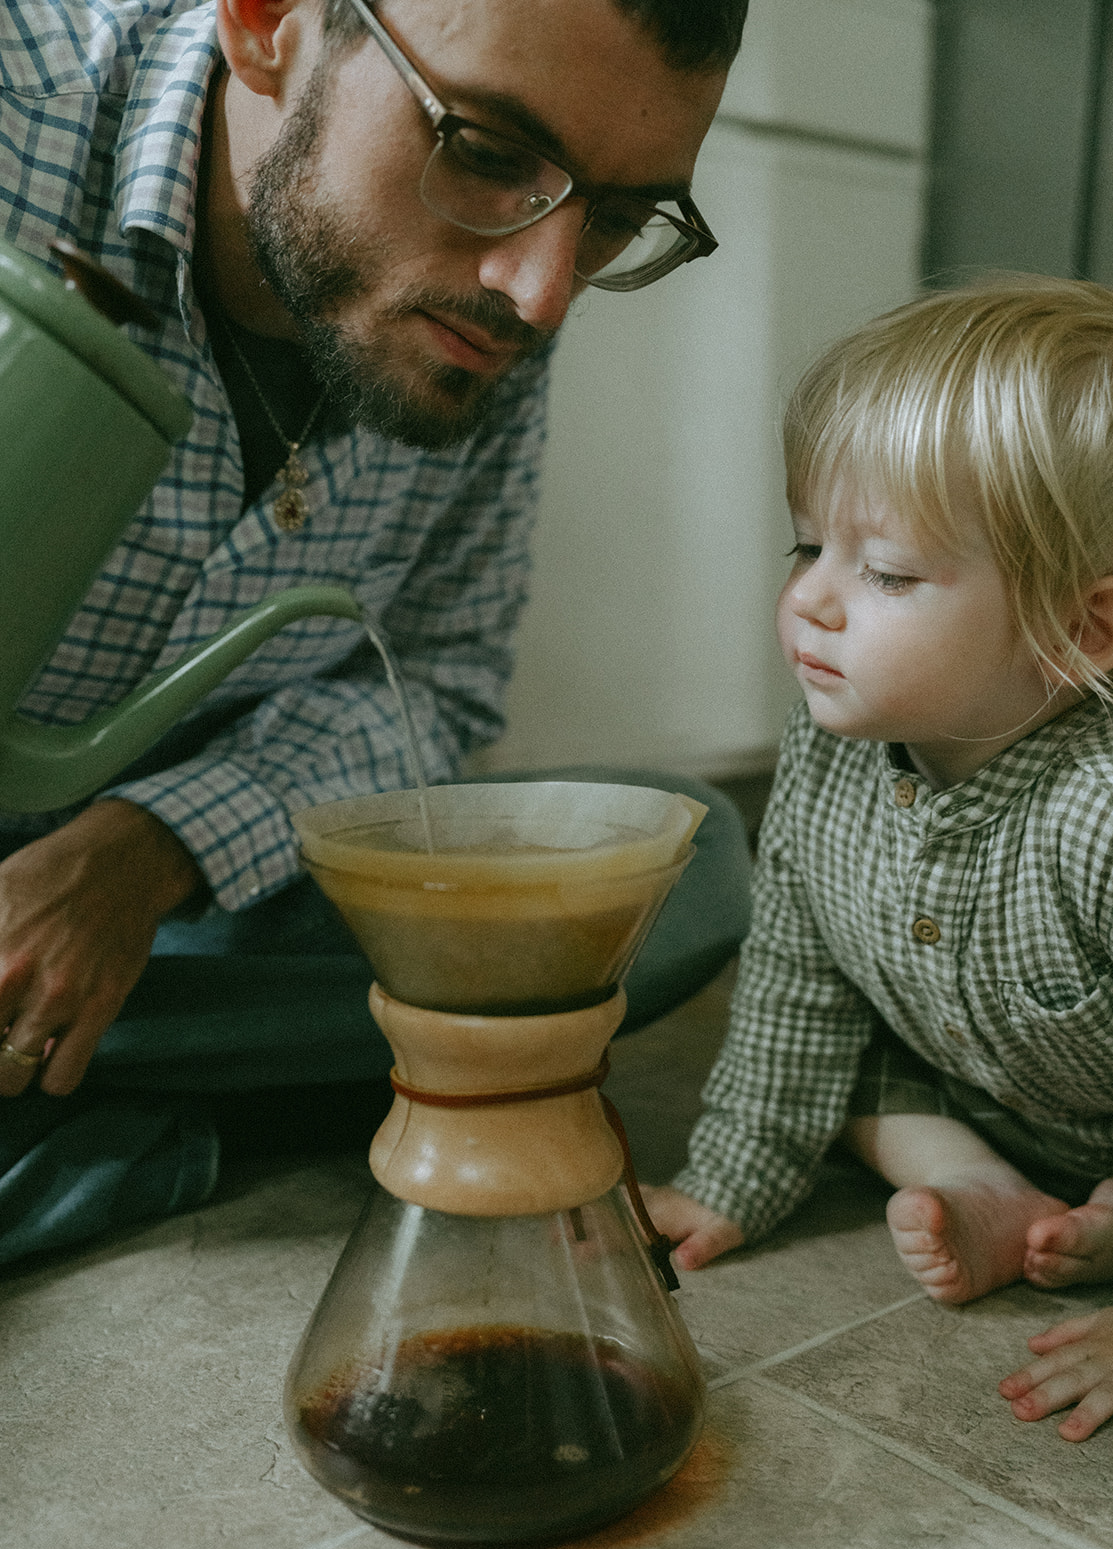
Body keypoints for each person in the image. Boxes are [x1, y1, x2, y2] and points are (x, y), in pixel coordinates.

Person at [0, 0, 751, 1265]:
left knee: (678, 865)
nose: (545, 293)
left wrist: (140, 857)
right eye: (488, 149)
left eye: (617, 215)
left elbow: (442, 682)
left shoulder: (494, 299)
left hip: (185, 920)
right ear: (267, 23)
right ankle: (126, 1128)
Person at [645, 277, 1113, 1442]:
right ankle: (983, 1185)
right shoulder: (833, 739)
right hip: (970, 1082)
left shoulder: (1098, 814)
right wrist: (734, 1172)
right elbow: (798, 968)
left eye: (888, 574)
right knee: (827, 1066)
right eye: (810, 545)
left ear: (1082, 630)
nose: (809, 599)